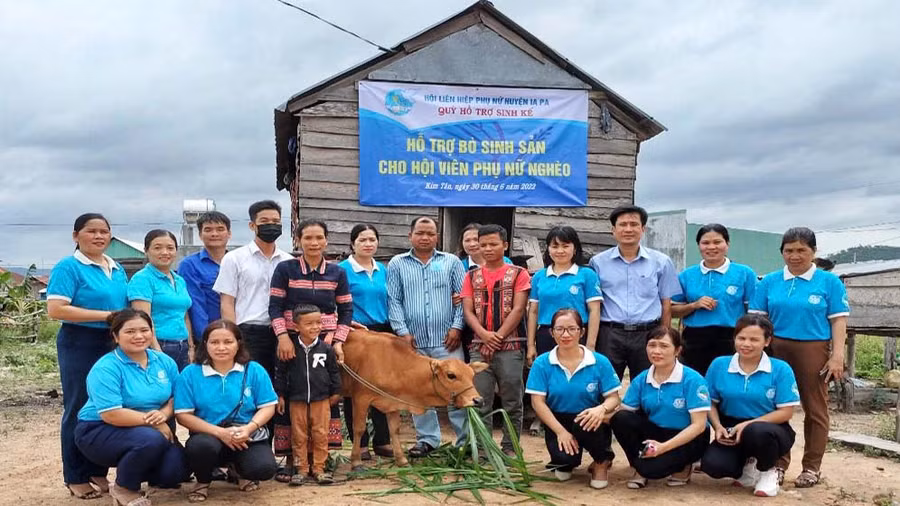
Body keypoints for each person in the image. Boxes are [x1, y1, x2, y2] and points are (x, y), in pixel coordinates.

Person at [749, 227, 849, 488]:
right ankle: (776, 465)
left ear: (813, 252)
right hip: (775, 348)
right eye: (789, 250)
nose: (794, 256)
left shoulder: (829, 282)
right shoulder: (769, 281)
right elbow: (759, 320)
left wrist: (837, 356)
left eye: (801, 250)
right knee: (775, 407)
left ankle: (811, 468)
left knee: (815, 408)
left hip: (813, 348)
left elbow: (838, 320)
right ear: (782, 252)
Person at [46, 213, 128, 499]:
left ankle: (96, 469)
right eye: (91, 231)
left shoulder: (116, 268)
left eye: (104, 231)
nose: (98, 236)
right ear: (75, 236)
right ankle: (75, 475)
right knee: (79, 405)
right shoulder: (69, 267)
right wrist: (107, 316)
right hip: (80, 341)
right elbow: (56, 309)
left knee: (105, 405)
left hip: (112, 342)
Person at [74, 309, 186, 506]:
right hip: (98, 430)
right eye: (130, 331)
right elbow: (111, 414)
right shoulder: (106, 367)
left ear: (152, 332)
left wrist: (163, 415)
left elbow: (177, 397)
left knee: (176, 471)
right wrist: (154, 424)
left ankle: (140, 467)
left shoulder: (163, 361)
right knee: (150, 440)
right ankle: (124, 487)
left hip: (147, 427)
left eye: (144, 330)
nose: (139, 336)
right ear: (116, 336)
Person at [269, 219, 352, 477]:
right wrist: (283, 337)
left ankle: (320, 460)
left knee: (321, 397)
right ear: (299, 240)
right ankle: (293, 461)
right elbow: (274, 306)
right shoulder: (286, 269)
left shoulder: (337, 272)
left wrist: (337, 341)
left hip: (324, 341)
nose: (314, 243)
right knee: (291, 396)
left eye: (319, 238)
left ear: (326, 240)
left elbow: (346, 309)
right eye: (308, 238)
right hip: (291, 341)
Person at [212, 200, 293, 456]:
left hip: (281, 334)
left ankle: (272, 451)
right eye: (265, 222)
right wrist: (233, 338)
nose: (271, 226)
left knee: (279, 392)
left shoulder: (288, 261)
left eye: (276, 222)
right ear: (251, 225)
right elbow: (227, 301)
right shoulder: (234, 259)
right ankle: (242, 453)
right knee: (249, 391)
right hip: (248, 333)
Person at [387, 216, 468, 457]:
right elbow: (394, 299)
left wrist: (457, 327)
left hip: (448, 340)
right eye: (420, 233)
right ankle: (428, 440)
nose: (425, 237)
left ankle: (465, 440)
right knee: (419, 392)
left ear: (437, 236)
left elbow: (463, 297)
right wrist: (402, 332)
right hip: (413, 342)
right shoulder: (397, 264)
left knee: (457, 389)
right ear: (410, 235)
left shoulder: (451, 262)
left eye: (430, 233)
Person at [175, 319, 278, 502]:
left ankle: (239, 472)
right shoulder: (191, 373)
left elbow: (268, 406)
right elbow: (183, 416)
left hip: (245, 435)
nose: (221, 347)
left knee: (263, 468)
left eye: (228, 342)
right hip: (208, 434)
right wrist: (220, 433)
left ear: (238, 344)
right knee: (201, 447)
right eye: (214, 342)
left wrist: (249, 428)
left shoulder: (254, 370)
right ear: (205, 344)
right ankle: (203, 481)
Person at [700, 315, 800, 497]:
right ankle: (749, 466)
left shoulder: (780, 369)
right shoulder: (719, 364)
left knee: (757, 431)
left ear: (767, 341)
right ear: (734, 338)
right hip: (730, 426)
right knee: (713, 466)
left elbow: (786, 412)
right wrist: (718, 427)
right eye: (741, 338)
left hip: (770, 428)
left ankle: (768, 471)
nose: (746, 344)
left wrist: (748, 424)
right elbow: (709, 403)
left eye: (754, 339)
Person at [525, 309, 621, 489]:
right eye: (559, 329)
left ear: (582, 332)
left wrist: (601, 409)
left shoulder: (599, 361)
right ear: (551, 332)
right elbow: (537, 402)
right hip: (558, 419)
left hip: (589, 417)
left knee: (586, 421)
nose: (566, 334)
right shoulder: (542, 363)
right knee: (563, 465)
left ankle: (602, 460)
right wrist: (561, 432)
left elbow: (613, 398)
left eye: (572, 329)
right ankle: (566, 459)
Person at [610, 326, 710, 488]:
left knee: (653, 471)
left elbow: (698, 426)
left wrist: (663, 448)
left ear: (677, 350)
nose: (656, 351)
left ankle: (683, 465)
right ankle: (640, 465)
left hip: (690, 437)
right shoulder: (642, 378)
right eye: (652, 345)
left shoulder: (692, 379)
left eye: (664, 346)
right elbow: (624, 414)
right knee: (621, 419)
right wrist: (597, 415)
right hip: (656, 431)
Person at [461, 224, 531, 456]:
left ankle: (510, 448)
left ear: (505, 245)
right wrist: (484, 335)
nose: (488, 249)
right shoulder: (471, 276)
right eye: (483, 245)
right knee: (479, 399)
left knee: (512, 399)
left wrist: (497, 337)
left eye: (493, 244)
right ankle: (482, 449)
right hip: (479, 347)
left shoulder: (519, 273)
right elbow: (468, 311)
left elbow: (519, 309)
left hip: (511, 346)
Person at [589, 205, 681, 380]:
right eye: (623, 225)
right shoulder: (598, 263)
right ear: (613, 230)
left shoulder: (661, 262)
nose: (628, 229)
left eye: (634, 224)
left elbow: (666, 304)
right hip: (610, 334)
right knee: (605, 384)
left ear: (643, 229)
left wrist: (664, 336)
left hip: (647, 333)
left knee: (650, 382)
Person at [671, 224, 757, 375]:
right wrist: (694, 305)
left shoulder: (744, 273)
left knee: (728, 382)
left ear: (727, 244)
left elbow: (753, 312)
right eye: (705, 243)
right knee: (696, 383)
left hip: (732, 338)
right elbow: (673, 311)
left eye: (717, 242)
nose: (711, 247)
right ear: (699, 246)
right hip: (694, 339)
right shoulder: (686, 275)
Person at [338, 224, 392, 460]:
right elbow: (335, 303)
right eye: (362, 240)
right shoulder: (342, 270)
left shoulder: (384, 270)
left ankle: (383, 440)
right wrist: (346, 324)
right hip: (355, 333)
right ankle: (359, 443)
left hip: (382, 333)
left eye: (372, 239)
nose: (368, 244)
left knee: (381, 388)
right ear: (352, 244)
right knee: (356, 389)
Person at [273, 304, 342, 486]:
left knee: (320, 433)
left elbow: (334, 372)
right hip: (297, 399)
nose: (315, 327)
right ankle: (301, 469)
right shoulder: (289, 349)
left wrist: (336, 392)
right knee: (299, 434)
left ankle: (319, 468)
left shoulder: (326, 349)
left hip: (321, 399)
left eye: (318, 323)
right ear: (296, 327)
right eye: (309, 323)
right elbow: (280, 372)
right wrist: (280, 394)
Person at [526, 226, 602, 365]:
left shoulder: (587, 274)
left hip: (577, 334)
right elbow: (533, 312)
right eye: (555, 246)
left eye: (565, 246)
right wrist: (531, 345)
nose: (560, 251)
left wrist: (591, 345)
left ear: (575, 249)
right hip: (546, 335)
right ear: (548, 249)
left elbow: (594, 310)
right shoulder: (539, 276)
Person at [129, 229, 194, 370]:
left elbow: (185, 316)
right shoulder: (142, 279)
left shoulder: (179, 280)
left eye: (170, 248)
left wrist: (191, 346)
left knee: (181, 390)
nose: (165, 252)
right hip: (159, 344)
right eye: (157, 248)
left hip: (182, 345)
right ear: (146, 250)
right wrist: (156, 350)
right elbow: (142, 318)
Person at [178, 211, 232, 342]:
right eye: (208, 230)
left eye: (220, 229)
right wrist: (206, 338)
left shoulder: (238, 262)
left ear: (229, 234)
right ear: (200, 235)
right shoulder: (189, 265)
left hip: (240, 333)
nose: (214, 234)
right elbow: (196, 305)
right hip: (209, 335)